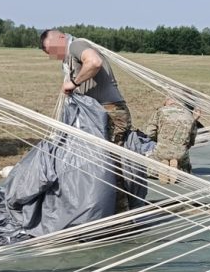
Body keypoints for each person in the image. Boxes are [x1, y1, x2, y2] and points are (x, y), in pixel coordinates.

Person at [40, 29, 133, 209]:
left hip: (110, 113)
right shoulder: (69, 57)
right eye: (50, 53)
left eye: (53, 49)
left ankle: (120, 212)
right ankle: (106, 208)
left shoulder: (77, 45)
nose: (54, 55)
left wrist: (74, 82)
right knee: (100, 163)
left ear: (61, 37)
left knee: (110, 165)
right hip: (98, 114)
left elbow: (94, 62)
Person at [144, 95, 196, 184]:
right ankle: (177, 167)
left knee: (148, 168)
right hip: (180, 152)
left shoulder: (160, 111)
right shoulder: (189, 114)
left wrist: (157, 140)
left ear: (168, 100)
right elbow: (192, 137)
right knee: (186, 170)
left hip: (161, 150)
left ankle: (163, 164)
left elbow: (149, 132)